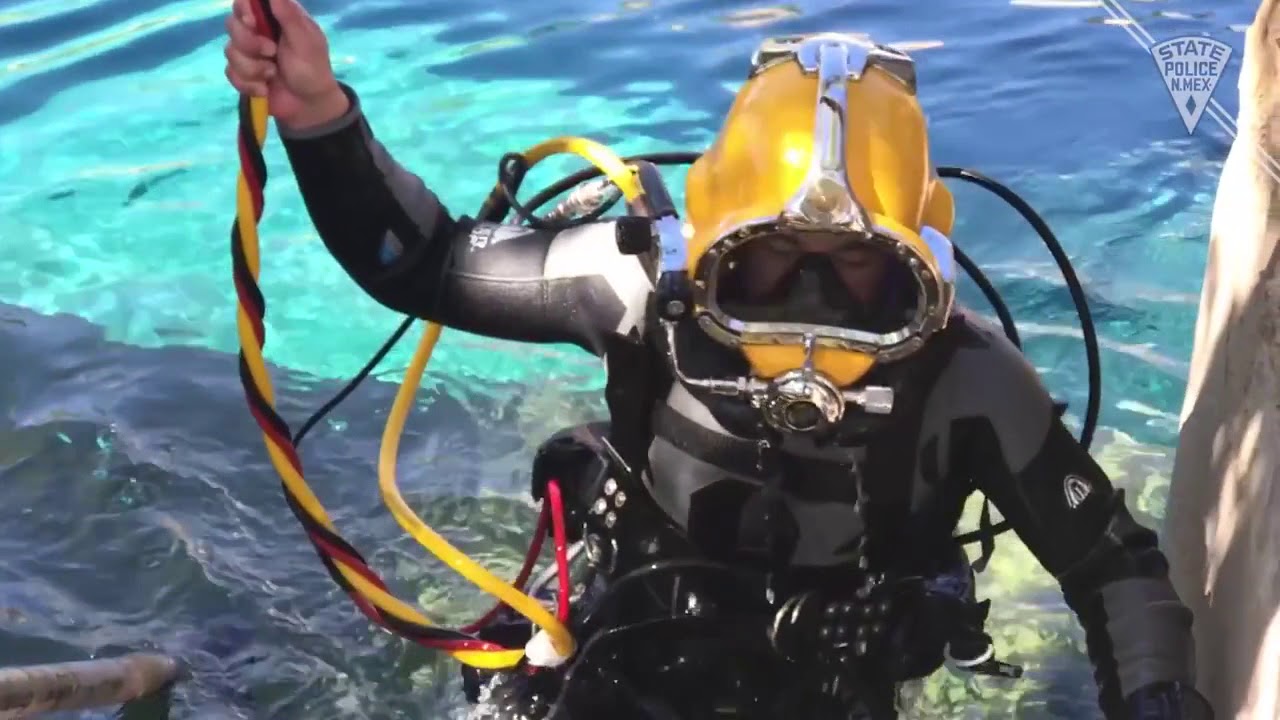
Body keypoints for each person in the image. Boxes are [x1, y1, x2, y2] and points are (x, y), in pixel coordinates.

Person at [223, 1, 1213, 718]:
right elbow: (429, 266)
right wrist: (317, 114)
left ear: (925, 274)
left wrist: (1158, 702)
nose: (813, 331)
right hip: (624, 631)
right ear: (702, 255)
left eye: (860, 283)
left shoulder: (964, 378)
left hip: (834, 672)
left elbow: (1109, 566)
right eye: (772, 270)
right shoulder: (635, 292)